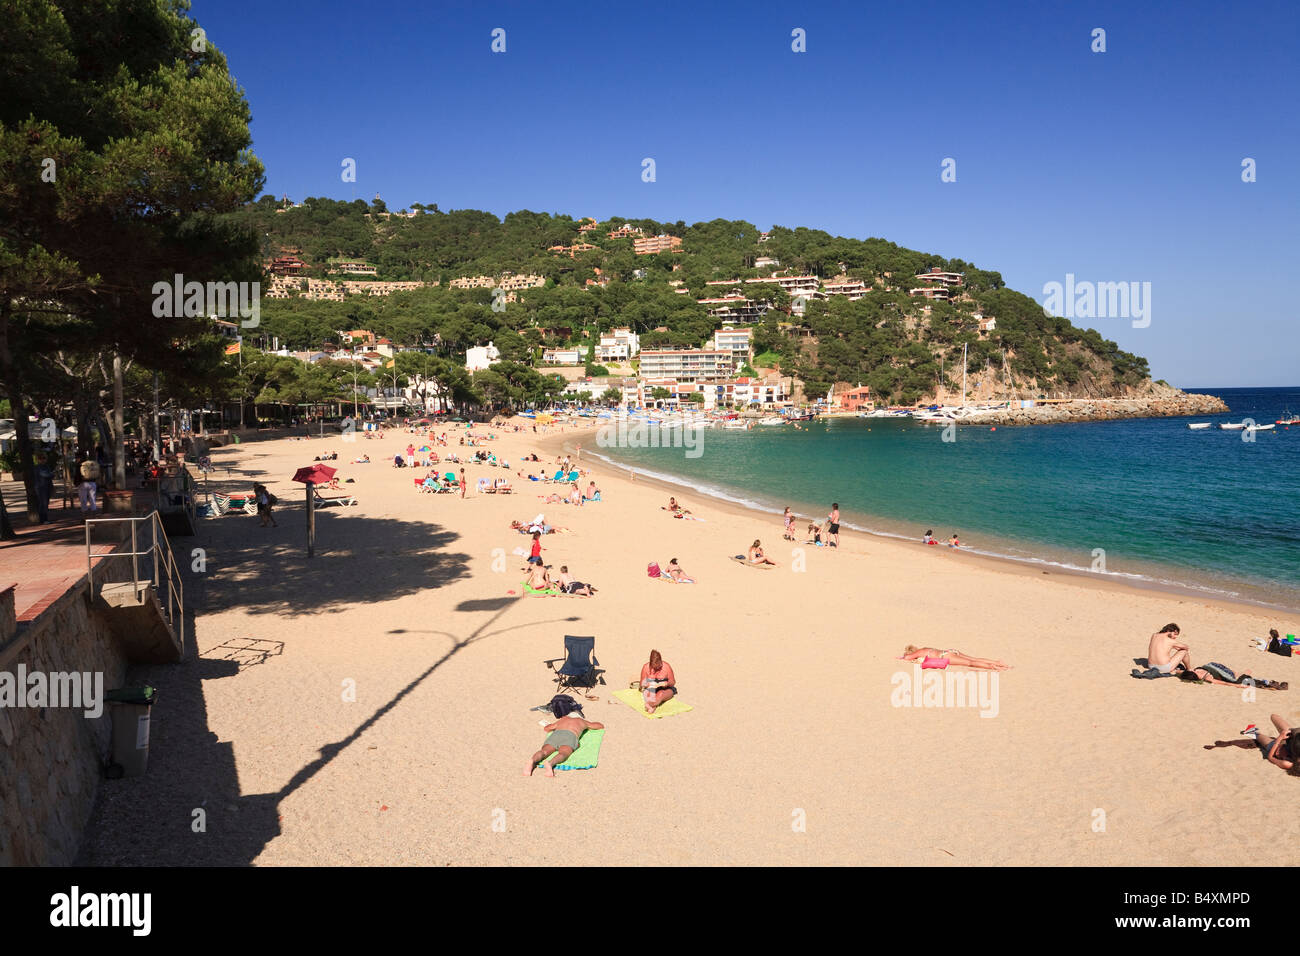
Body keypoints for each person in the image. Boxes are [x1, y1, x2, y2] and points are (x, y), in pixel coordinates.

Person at [525, 695, 604, 777]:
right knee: (563, 753)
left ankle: (532, 760)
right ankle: (550, 763)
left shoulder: (562, 720)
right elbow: (599, 726)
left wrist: (552, 725)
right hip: (570, 735)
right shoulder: (581, 721)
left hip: (556, 734)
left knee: (544, 752)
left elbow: (547, 728)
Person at [1179, 662, 1287, 690]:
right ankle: (1267, 683)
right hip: (1221, 668)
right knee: (1244, 680)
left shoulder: (1202, 676)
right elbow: (1223, 682)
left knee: (1244, 680)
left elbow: (1223, 681)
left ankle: (1267, 683)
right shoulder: (1196, 670)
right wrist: (1238, 686)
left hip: (1223, 670)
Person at [900, 645, 1011, 671]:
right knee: (974, 658)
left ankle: (992, 666)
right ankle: (997, 662)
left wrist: (903, 657)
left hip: (945, 656)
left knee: (970, 663)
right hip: (950, 651)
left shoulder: (920, 652)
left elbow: (908, 658)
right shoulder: (925, 648)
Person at [34, 452, 53, 523]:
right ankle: (43, 519)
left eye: (44, 458)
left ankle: (44, 518)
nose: (42, 460)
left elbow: (49, 475)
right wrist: (51, 474)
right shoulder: (37, 467)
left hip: (47, 487)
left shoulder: (46, 466)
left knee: (46, 503)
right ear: (38, 460)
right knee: (43, 504)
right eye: (40, 458)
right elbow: (46, 475)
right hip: (40, 488)